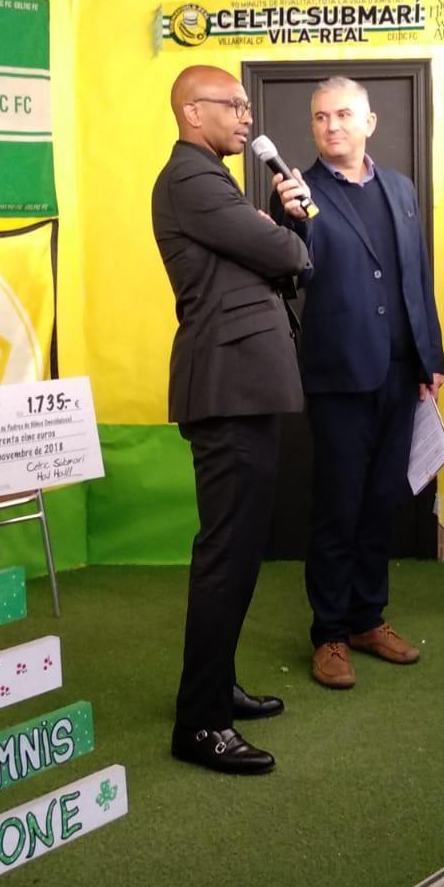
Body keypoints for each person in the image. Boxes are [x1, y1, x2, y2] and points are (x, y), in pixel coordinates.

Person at [151, 64, 312, 775]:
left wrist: (279, 226)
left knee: (240, 553)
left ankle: (216, 686)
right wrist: (283, 235)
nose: (247, 117)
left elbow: (276, 258)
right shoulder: (192, 179)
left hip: (243, 386)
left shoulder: (213, 181)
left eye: (247, 107)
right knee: (227, 555)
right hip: (227, 388)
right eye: (234, 105)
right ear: (193, 111)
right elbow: (285, 257)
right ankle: (200, 724)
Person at [272, 77, 444, 690]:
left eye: (344, 115)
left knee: (381, 504)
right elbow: (291, 265)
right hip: (339, 376)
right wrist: (287, 217)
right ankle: (330, 634)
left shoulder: (400, 188)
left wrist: (430, 356)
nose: (332, 126)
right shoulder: (301, 193)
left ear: (369, 122)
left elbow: (416, 275)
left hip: (400, 374)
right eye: (321, 117)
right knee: (338, 508)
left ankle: (369, 618)